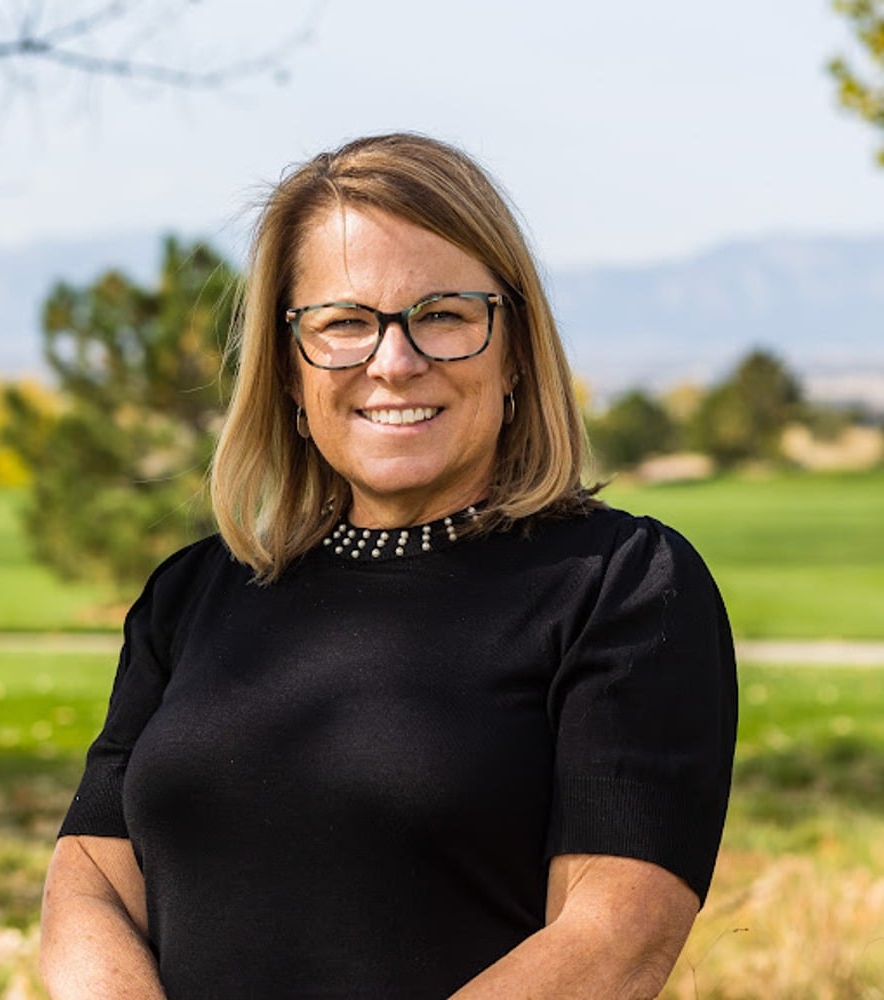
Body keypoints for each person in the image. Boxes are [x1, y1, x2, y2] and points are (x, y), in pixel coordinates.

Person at [40, 132, 737, 1000]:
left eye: (444, 313)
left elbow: (613, 941)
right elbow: (92, 877)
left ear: (514, 348)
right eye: (344, 322)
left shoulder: (624, 586)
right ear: (290, 371)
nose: (395, 361)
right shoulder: (191, 596)